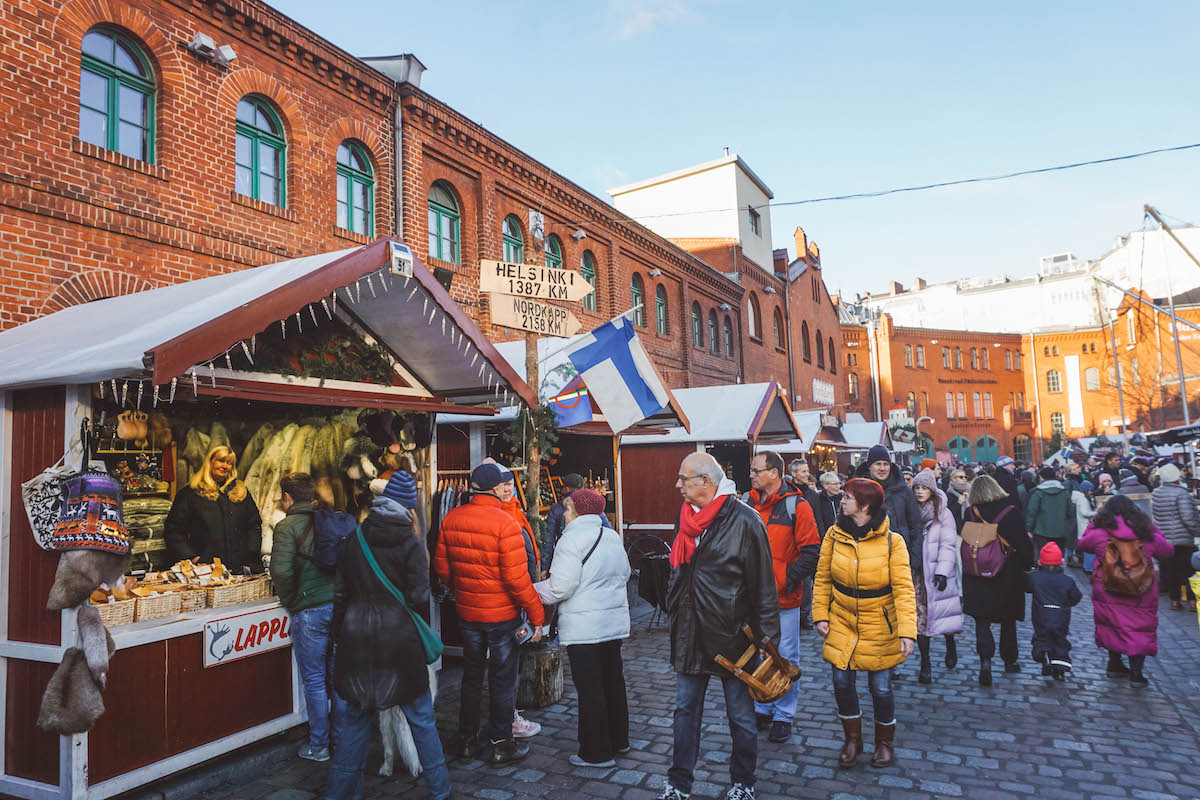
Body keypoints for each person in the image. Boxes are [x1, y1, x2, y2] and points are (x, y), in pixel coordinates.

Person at [659, 453, 779, 800]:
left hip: (733, 634)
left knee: (741, 716)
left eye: (684, 478)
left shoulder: (745, 521)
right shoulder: (685, 517)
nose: (678, 485)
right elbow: (681, 570)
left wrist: (767, 640)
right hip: (690, 631)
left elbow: (763, 585)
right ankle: (678, 782)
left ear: (706, 482)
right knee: (684, 712)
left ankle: (744, 782)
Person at [325, 471, 451, 800]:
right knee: (422, 722)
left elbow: (340, 595)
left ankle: (337, 795)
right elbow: (419, 596)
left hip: (357, 644)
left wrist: (341, 634)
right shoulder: (410, 543)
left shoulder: (355, 538)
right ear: (408, 508)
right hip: (400, 646)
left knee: (353, 728)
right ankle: (441, 792)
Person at [435, 462, 545, 766]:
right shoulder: (505, 523)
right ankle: (500, 743)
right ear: (496, 488)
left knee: (471, 676)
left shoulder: (451, 518)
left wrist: (465, 589)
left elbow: (443, 570)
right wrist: (537, 615)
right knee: (502, 678)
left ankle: (467, 740)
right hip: (502, 617)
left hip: (469, 613)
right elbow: (516, 579)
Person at [813, 478, 916, 770]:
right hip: (842, 619)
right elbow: (822, 578)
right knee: (841, 682)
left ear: (865, 504)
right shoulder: (834, 535)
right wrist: (821, 614)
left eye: (846, 497)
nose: (841, 501)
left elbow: (904, 589)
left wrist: (907, 631)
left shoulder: (892, 541)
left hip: (879, 622)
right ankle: (852, 739)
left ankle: (884, 743)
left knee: (881, 688)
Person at [534, 489, 630, 767]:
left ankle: (596, 752)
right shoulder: (611, 536)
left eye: (566, 509)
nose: (564, 514)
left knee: (590, 687)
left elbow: (560, 587)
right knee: (613, 680)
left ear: (576, 511)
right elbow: (624, 574)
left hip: (584, 625)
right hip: (611, 623)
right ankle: (619, 739)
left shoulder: (571, 539)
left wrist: (531, 590)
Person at [743, 451, 820, 743]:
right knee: (758, 655)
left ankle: (783, 714)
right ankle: (762, 705)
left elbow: (811, 552)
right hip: (752, 599)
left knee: (785, 656)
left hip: (783, 599)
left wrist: (784, 581)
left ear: (774, 473)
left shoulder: (797, 507)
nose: (751, 474)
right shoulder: (748, 503)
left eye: (756, 470)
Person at [270, 472, 335, 762]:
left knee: (315, 680)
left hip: (310, 610)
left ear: (287, 497)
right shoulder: (331, 520)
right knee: (338, 676)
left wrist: (291, 600)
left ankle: (320, 746)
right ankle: (346, 740)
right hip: (339, 607)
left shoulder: (286, 527)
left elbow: (282, 572)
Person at [1076, 494, 1174, 686]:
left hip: (1108, 586)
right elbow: (1167, 551)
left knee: (1112, 624)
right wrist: (1154, 529)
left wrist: (1094, 525)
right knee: (1140, 627)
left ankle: (1114, 664)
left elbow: (1082, 544)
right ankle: (1136, 672)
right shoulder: (1145, 532)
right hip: (1141, 589)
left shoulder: (1100, 532)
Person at [961, 475, 1034, 686]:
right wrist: (1027, 566)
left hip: (975, 575)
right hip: (1006, 574)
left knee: (981, 622)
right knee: (1007, 621)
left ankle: (985, 662)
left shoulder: (970, 512)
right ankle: (1010, 661)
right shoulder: (1010, 512)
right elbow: (1023, 545)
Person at [492, 467, 544, 739]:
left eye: (510, 482)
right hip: (509, 601)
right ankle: (507, 721)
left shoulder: (514, 511)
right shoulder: (500, 517)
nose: (507, 487)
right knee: (506, 664)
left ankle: (505, 714)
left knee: (507, 663)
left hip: (516, 597)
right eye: (501, 484)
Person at [164, 445, 262, 572]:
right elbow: (173, 530)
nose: (225, 466)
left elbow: (254, 525)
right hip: (205, 569)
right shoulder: (190, 493)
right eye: (221, 461)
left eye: (229, 463)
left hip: (240, 569)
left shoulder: (241, 493)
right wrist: (192, 558)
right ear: (210, 462)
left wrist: (251, 554)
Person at [910, 470, 963, 683]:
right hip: (917, 573)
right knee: (921, 620)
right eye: (917, 488)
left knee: (943, 613)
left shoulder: (944, 513)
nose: (920, 492)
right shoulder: (911, 511)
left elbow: (948, 544)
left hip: (937, 573)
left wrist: (942, 571)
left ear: (932, 490)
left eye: (924, 488)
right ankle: (926, 663)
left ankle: (950, 643)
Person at [855, 445, 923, 563]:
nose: (882, 468)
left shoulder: (904, 491)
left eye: (886, 464)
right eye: (878, 464)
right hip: (868, 556)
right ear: (869, 466)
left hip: (899, 554)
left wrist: (914, 560)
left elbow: (915, 526)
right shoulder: (857, 490)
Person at [1025, 542, 1082, 681]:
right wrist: (1068, 603)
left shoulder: (1035, 577)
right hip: (1061, 616)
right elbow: (1076, 597)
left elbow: (1026, 587)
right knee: (1060, 639)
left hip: (1041, 614)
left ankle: (1044, 655)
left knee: (1041, 636)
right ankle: (1060, 669)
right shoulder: (1067, 580)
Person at [1150, 463, 1199, 612]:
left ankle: (1175, 600)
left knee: (1171, 571)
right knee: (1189, 570)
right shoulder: (1181, 493)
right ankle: (1191, 600)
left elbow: (1157, 516)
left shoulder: (1156, 493)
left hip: (1165, 539)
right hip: (1183, 538)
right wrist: (1197, 531)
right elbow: (1188, 517)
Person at [1026, 466, 1073, 559]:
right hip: (1061, 529)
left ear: (1042, 477)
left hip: (1041, 530)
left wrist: (1029, 528)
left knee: (1043, 556)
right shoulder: (1064, 491)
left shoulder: (1038, 492)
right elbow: (1070, 511)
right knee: (1059, 556)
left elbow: (1032, 512)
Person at [544, 473, 585, 569]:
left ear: (566, 489)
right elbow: (607, 529)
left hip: (566, 559)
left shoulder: (556, 509)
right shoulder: (591, 506)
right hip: (589, 559)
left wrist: (545, 567)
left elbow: (548, 540)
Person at [1072, 480, 1097, 572]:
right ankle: (1088, 568)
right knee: (1089, 549)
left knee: (1087, 548)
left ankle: (1087, 566)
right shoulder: (1083, 499)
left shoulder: (1082, 498)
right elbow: (1084, 512)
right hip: (1085, 526)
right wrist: (1096, 513)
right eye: (1090, 491)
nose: (1091, 492)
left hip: (1084, 526)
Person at [812, 472, 843, 539]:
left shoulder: (842, 497)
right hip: (826, 536)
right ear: (826, 486)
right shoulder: (818, 499)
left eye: (839, 483)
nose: (838, 486)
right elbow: (819, 521)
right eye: (835, 484)